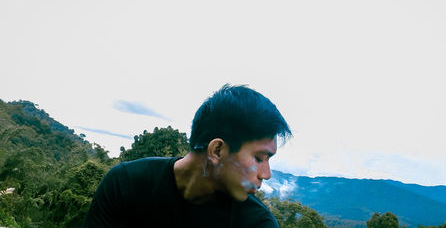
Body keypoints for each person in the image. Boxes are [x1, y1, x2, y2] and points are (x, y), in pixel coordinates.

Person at [82, 84, 292, 228]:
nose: (266, 174)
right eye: (259, 158)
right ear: (217, 151)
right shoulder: (126, 184)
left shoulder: (256, 223)